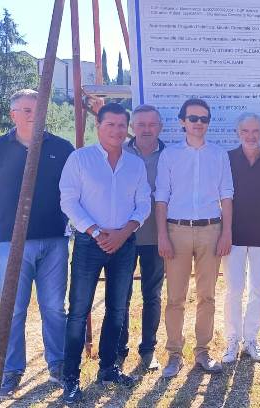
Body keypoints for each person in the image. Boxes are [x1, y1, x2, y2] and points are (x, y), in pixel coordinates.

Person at [0, 89, 74, 397]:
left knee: (54, 307)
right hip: (11, 243)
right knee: (12, 309)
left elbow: (73, 190)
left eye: (37, 108)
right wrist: (6, 217)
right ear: (13, 114)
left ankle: (58, 365)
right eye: (26, 110)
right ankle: (11, 370)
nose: (33, 114)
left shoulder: (61, 148)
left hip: (54, 239)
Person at [59, 102, 151, 402]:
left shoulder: (135, 164)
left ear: (127, 129)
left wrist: (123, 233)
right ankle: (71, 379)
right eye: (110, 124)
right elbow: (69, 201)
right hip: (89, 243)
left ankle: (108, 368)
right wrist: (96, 232)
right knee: (78, 311)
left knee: (117, 309)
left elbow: (143, 204)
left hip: (124, 243)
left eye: (121, 125)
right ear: (98, 126)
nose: (116, 130)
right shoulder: (80, 159)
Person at [155, 98, 233, 378]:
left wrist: (226, 232)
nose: (199, 123)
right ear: (182, 122)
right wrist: (162, 235)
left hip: (211, 231)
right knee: (175, 297)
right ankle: (174, 354)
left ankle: (202, 351)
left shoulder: (219, 155)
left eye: (203, 119)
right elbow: (161, 197)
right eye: (193, 118)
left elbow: (227, 195)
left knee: (207, 296)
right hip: (177, 231)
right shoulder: (169, 155)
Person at [222, 113, 260, 364]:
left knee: (257, 288)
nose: (251, 135)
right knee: (234, 289)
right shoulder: (226, 160)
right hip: (232, 235)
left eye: (255, 131)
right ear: (238, 133)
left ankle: (251, 340)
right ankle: (232, 340)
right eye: (245, 131)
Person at [116, 104, 166, 371]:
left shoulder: (170, 155)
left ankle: (148, 350)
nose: (146, 129)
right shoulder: (118, 152)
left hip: (157, 236)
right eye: (141, 124)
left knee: (152, 295)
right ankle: (118, 350)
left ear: (160, 127)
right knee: (121, 295)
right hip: (123, 235)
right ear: (132, 127)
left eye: (152, 124)